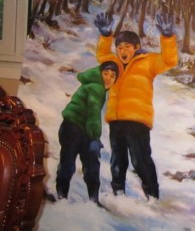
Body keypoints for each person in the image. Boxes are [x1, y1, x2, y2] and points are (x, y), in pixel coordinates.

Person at [94, 13, 179, 200]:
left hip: (137, 120)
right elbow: (101, 55)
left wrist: (167, 37)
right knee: (118, 159)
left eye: (127, 47)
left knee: (140, 159)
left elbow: (169, 60)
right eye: (119, 47)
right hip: (116, 119)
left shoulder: (148, 61)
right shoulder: (115, 63)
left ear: (136, 48)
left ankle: (152, 196)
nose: (122, 51)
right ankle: (118, 193)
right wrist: (106, 36)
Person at [56, 61, 120, 205]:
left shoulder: (96, 86)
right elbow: (93, 112)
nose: (108, 78)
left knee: (91, 165)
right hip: (72, 127)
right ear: (99, 73)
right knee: (69, 164)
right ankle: (63, 197)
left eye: (112, 76)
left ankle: (90, 200)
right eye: (105, 74)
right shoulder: (96, 88)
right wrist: (95, 137)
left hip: (82, 129)